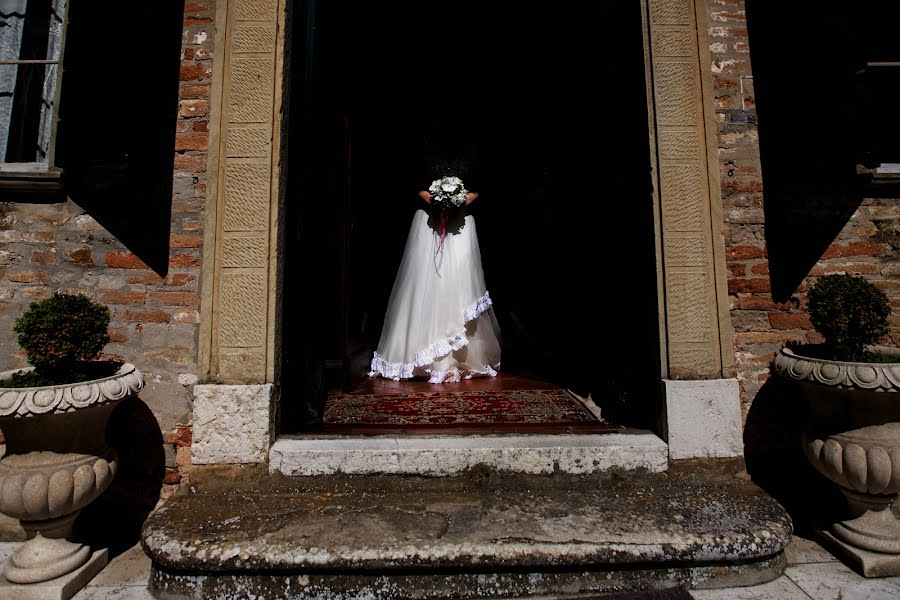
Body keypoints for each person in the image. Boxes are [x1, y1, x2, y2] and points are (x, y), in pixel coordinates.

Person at [368, 128, 501, 383]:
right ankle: (422, 353)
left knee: (459, 282)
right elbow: (412, 180)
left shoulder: (475, 144)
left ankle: (461, 356)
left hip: (461, 221)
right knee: (425, 283)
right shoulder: (423, 142)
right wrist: (432, 200)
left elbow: (483, 182)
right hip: (428, 221)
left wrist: (462, 201)